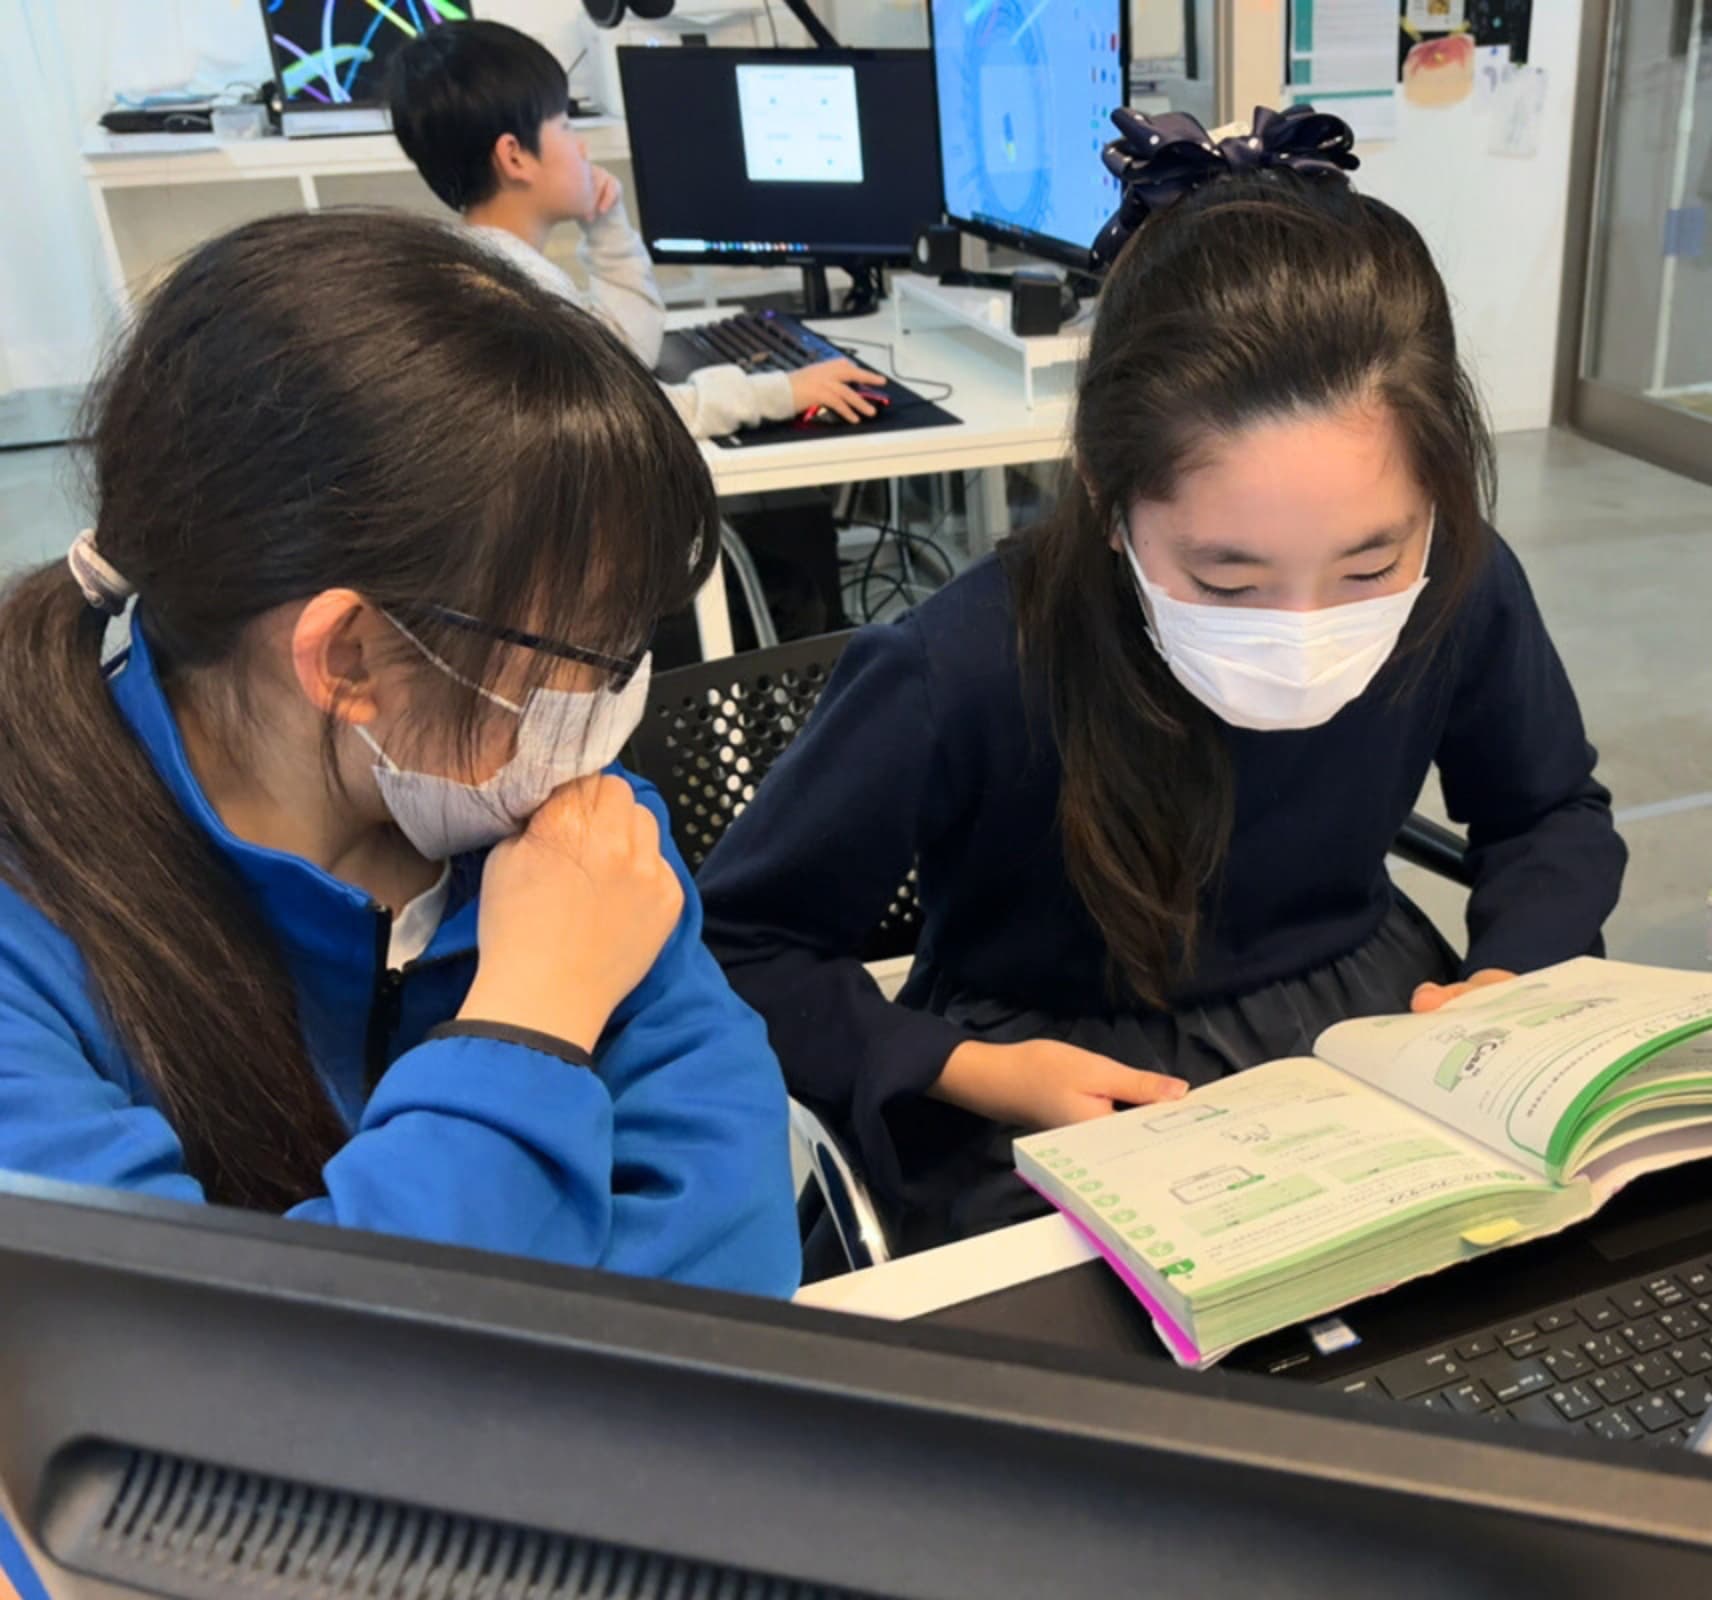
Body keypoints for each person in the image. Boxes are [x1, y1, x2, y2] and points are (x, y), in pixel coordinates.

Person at [701, 108, 1628, 1248]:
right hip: (1052, 1085)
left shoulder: (1460, 586)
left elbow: (1549, 813)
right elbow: (740, 943)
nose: (1304, 633)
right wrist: (964, 1067)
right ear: (1106, 493)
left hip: (1371, 1037)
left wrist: (1516, 973)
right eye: (1227, 581)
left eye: (1367, 566)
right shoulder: (962, 667)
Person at [0, 210, 801, 1297]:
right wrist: (533, 1015)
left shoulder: (568, 828)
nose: (605, 701)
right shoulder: (35, 940)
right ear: (351, 658)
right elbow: (193, 1366)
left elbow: (736, 1246)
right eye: (585, 651)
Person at [386, 19, 883, 438]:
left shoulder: (478, 270)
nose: (581, 148)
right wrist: (784, 391)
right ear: (515, 157)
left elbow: (625, 354)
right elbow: (640, 416)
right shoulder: (515, 305)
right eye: (565, 126)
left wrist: (606, 225)